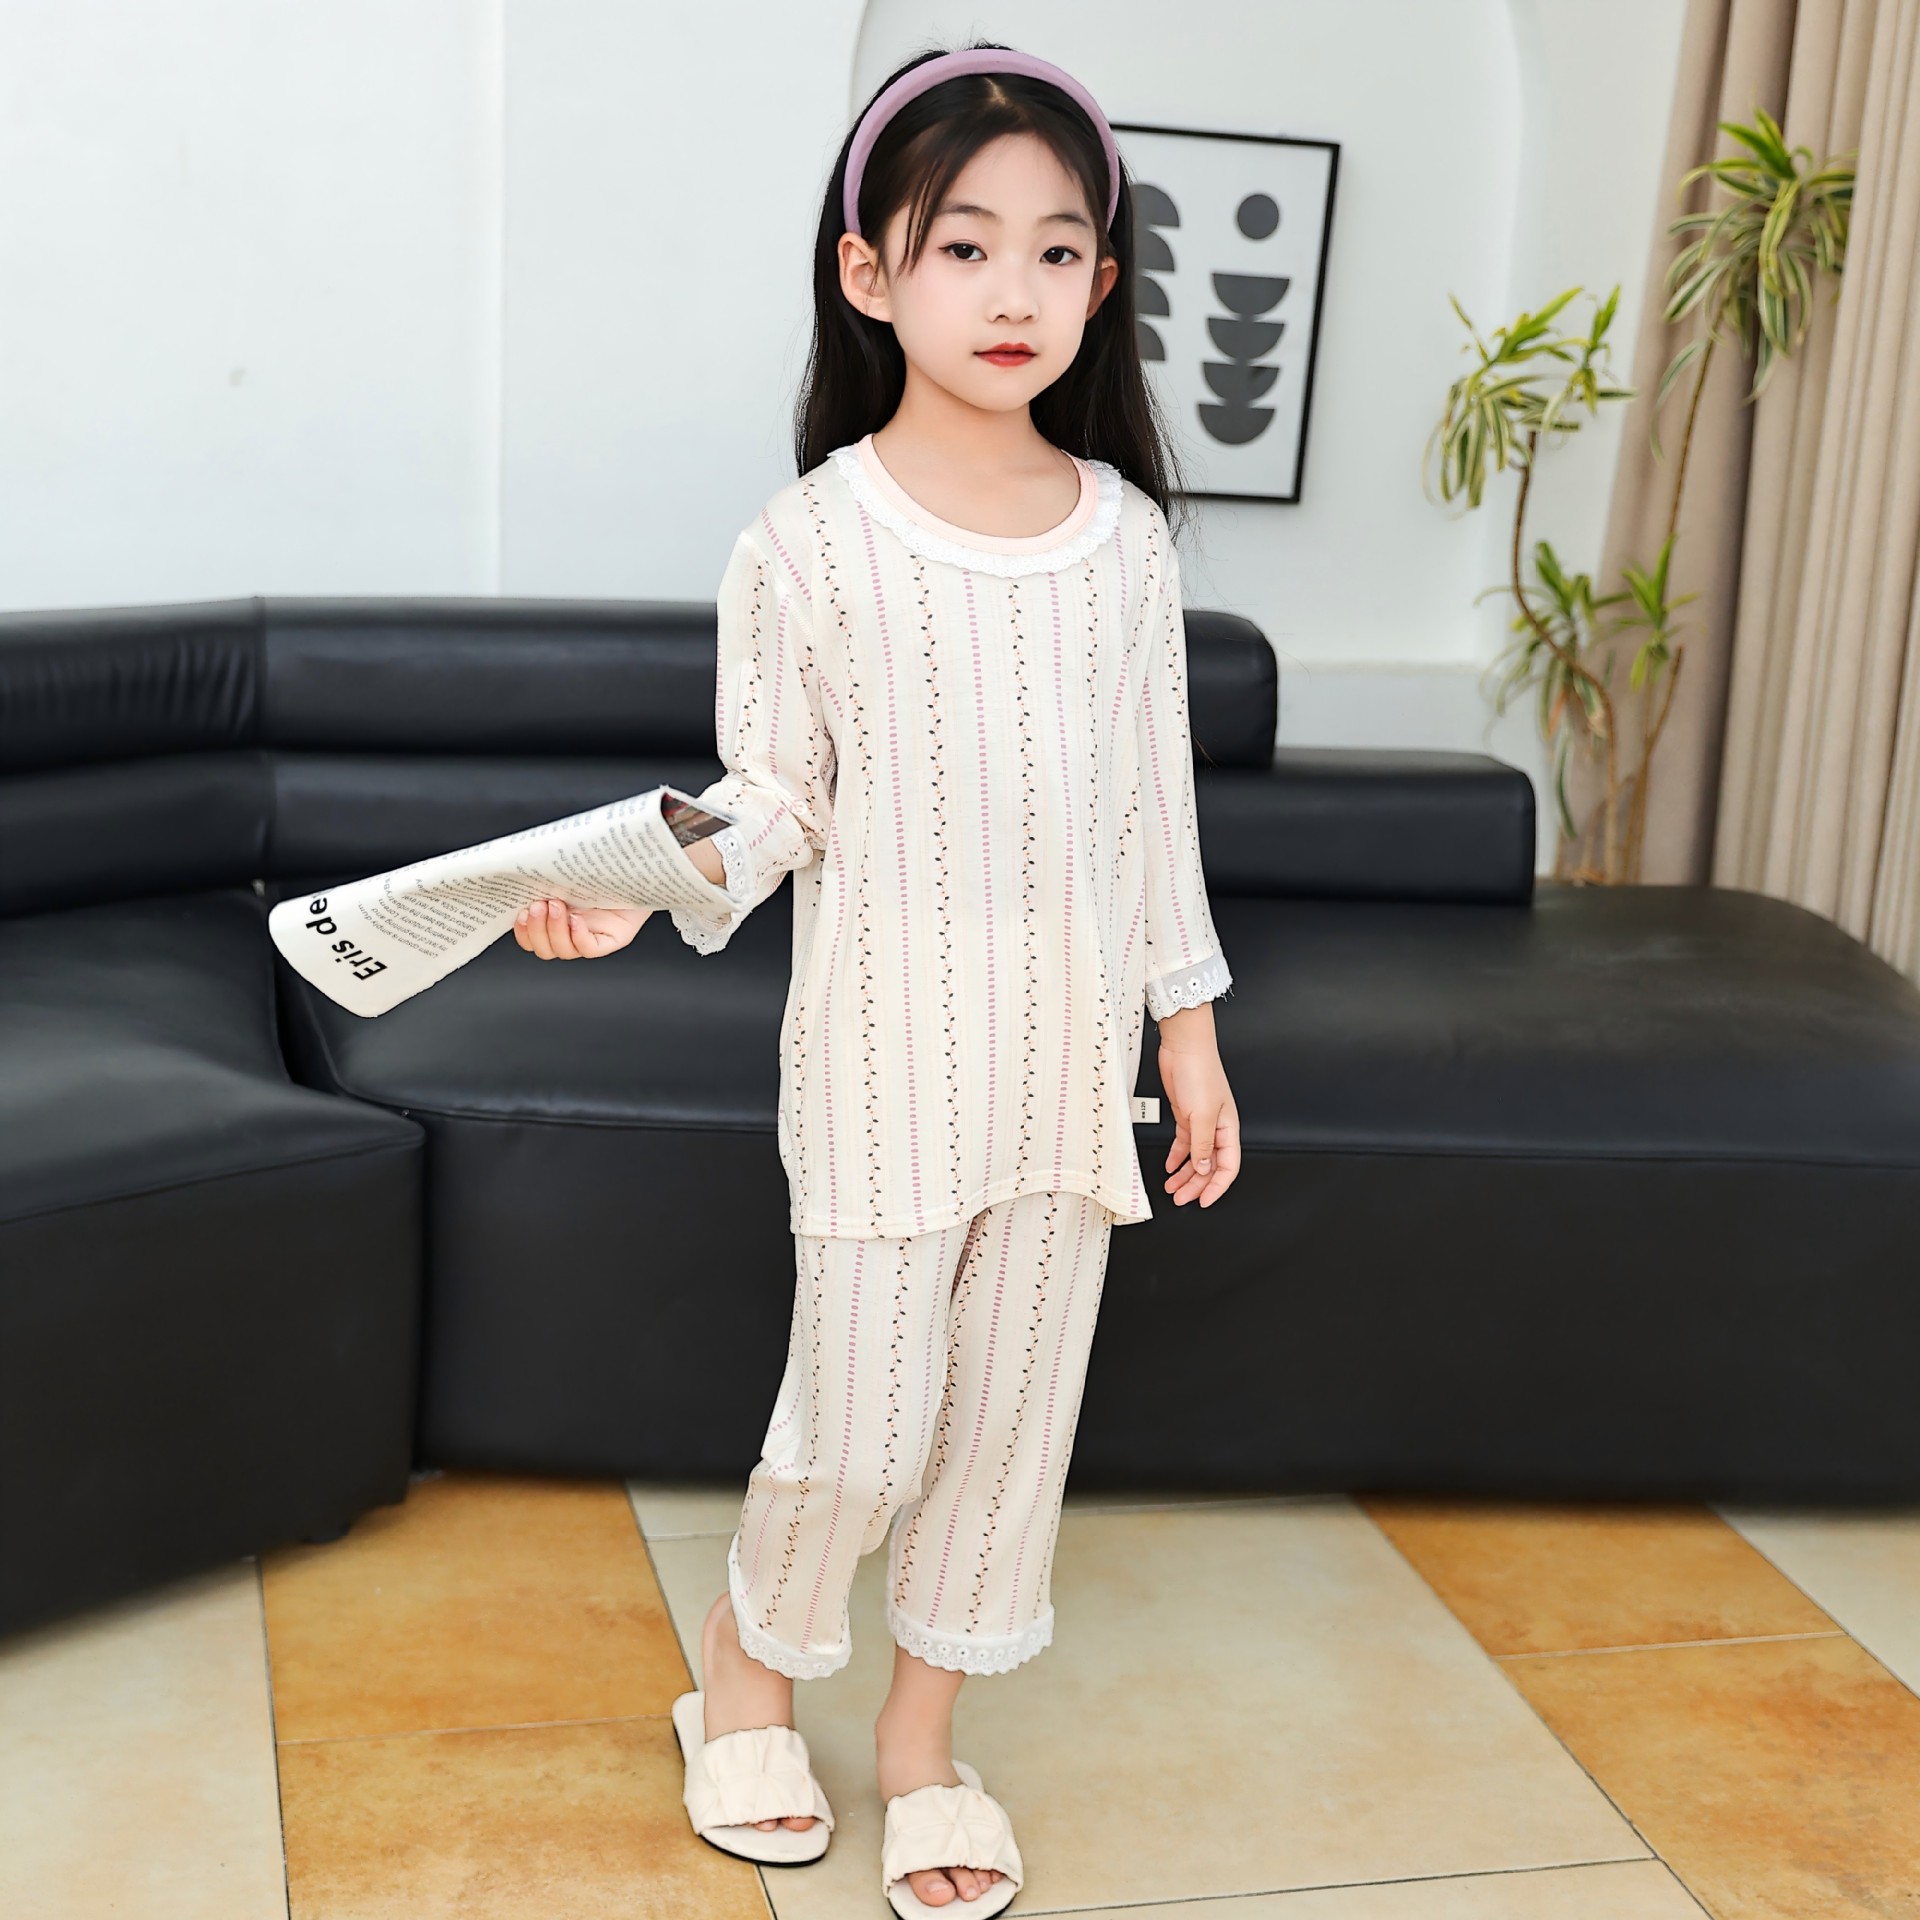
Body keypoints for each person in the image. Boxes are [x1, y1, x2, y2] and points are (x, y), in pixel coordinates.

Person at [512, 40, 1240, 1916]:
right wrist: (640, 889)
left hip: (1066, 1077)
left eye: (1059, 252)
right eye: (965, 245)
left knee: (1008, 1430)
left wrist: (1187, 1031)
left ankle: (922, 1744)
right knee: (857, 1422)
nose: (1016, 290)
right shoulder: (810, 543)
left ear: (1102, 283)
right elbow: (775, 801)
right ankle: (745, 1677)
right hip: (881, 1063)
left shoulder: (1128, 548)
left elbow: (1151, 811)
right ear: (870, 273)